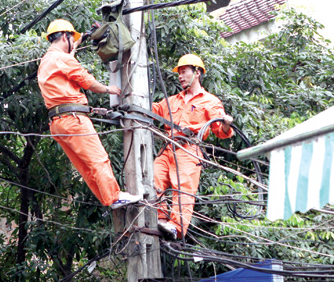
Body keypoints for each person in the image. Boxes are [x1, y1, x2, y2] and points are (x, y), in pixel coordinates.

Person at [38, 19, 141, 209]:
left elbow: (69, 55)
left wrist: (81, 39)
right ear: (64, 37)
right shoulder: (63, 59)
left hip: (57, 123)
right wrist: (108, 89)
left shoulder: (46, 60)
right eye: (71, 38)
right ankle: (115, 196)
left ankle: (108, 199)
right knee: (97, 159)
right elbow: (86, 81)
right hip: (74, 119)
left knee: (85, 167)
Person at [152, 54, 234, 239]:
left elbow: (220, 131)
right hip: (168, 148)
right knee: (154, 178)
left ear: (197, 73)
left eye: (184, 72)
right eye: (179, 73)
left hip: (189, 149)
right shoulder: (172, 100)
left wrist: (227, 124)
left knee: (183, 188)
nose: (180, 76)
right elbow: (154, 110)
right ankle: (160, 218)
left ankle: (176, 227)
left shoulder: (210, 101)